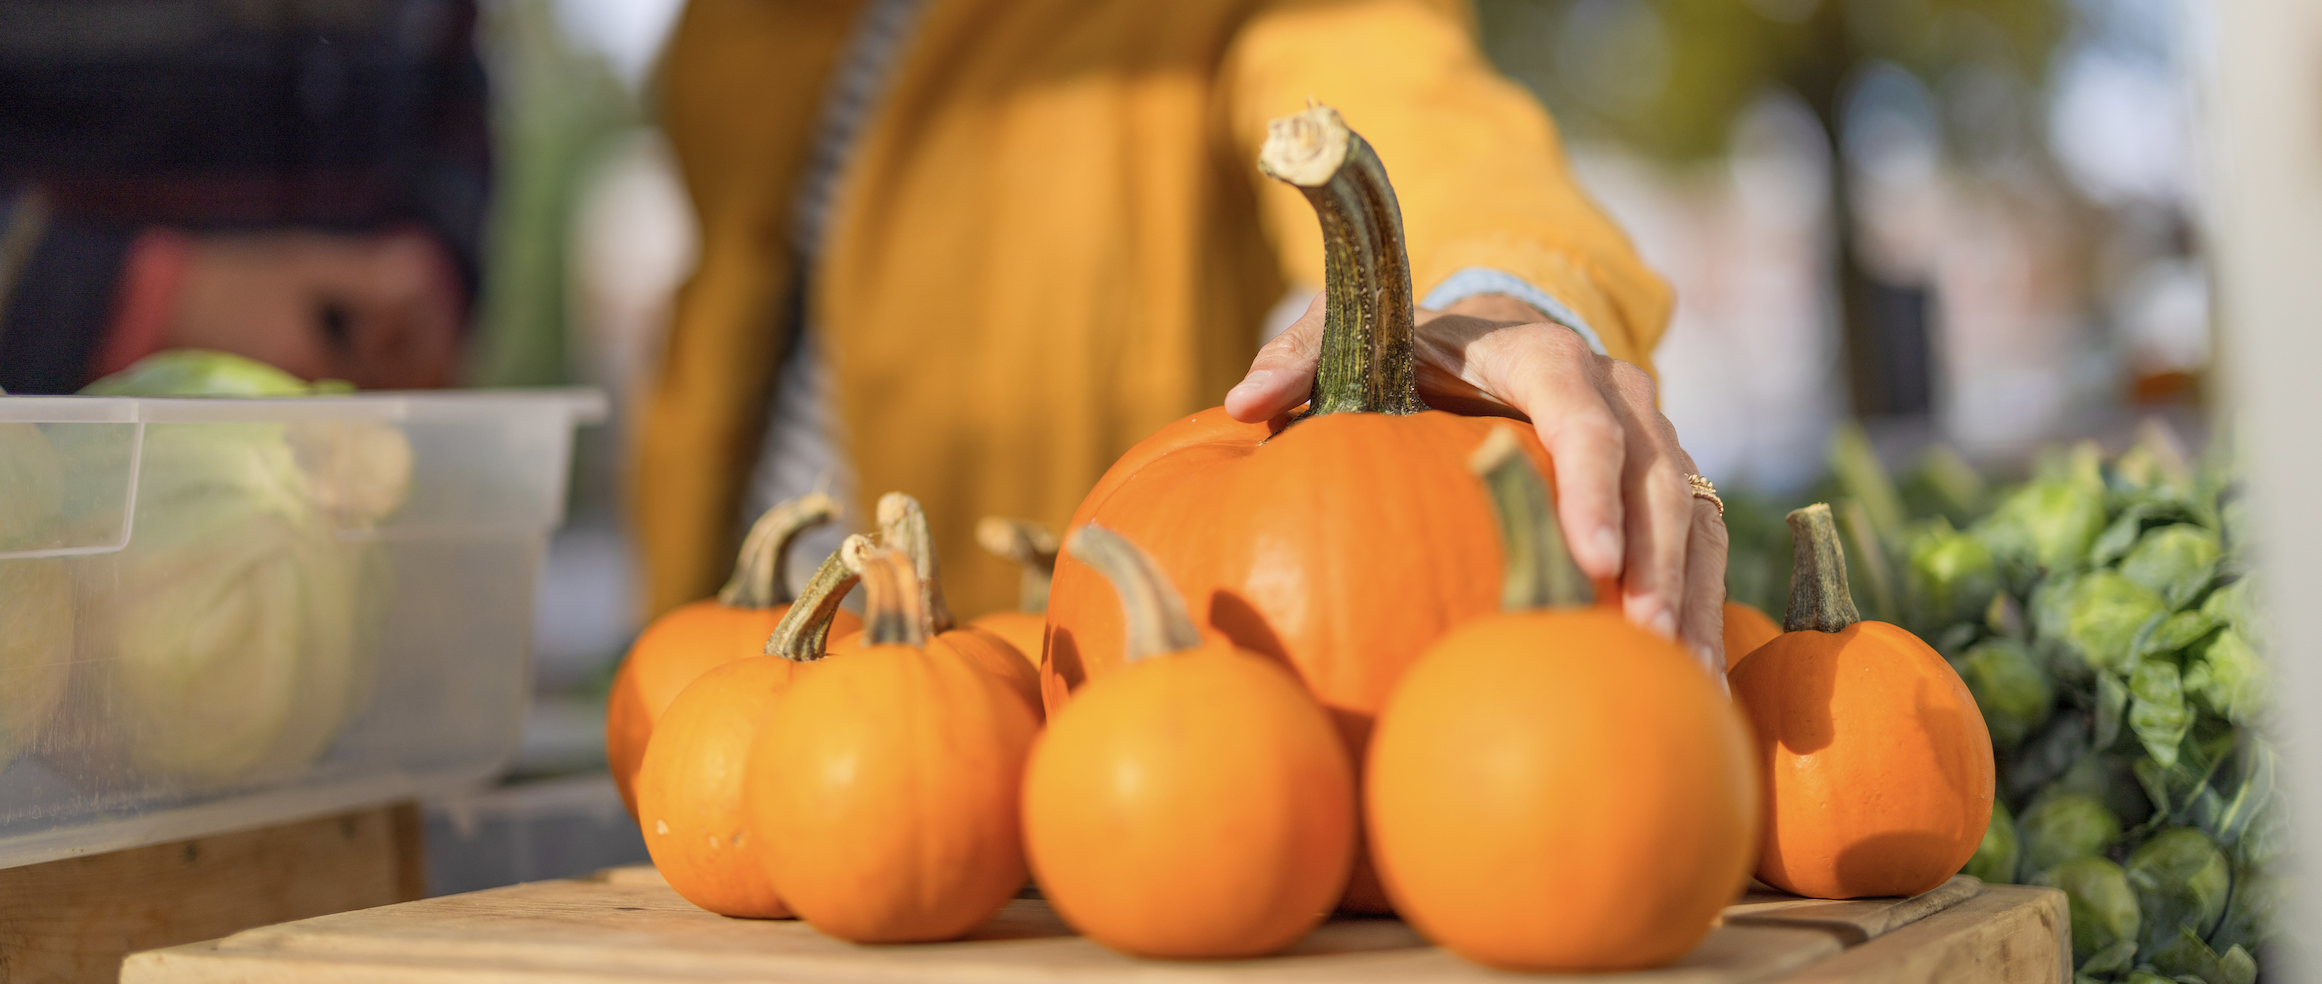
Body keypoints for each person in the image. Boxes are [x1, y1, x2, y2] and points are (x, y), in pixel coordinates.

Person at [640, 0, 1730, 669]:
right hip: (727, 660)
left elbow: (1414, 102)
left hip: (1032, 697)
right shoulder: (733, 26)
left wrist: (1500, 287)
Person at [0, 0, 487, 394]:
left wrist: (436, 263)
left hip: (356, 438)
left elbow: (457, 80)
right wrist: (134, 297)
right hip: (43, 449)